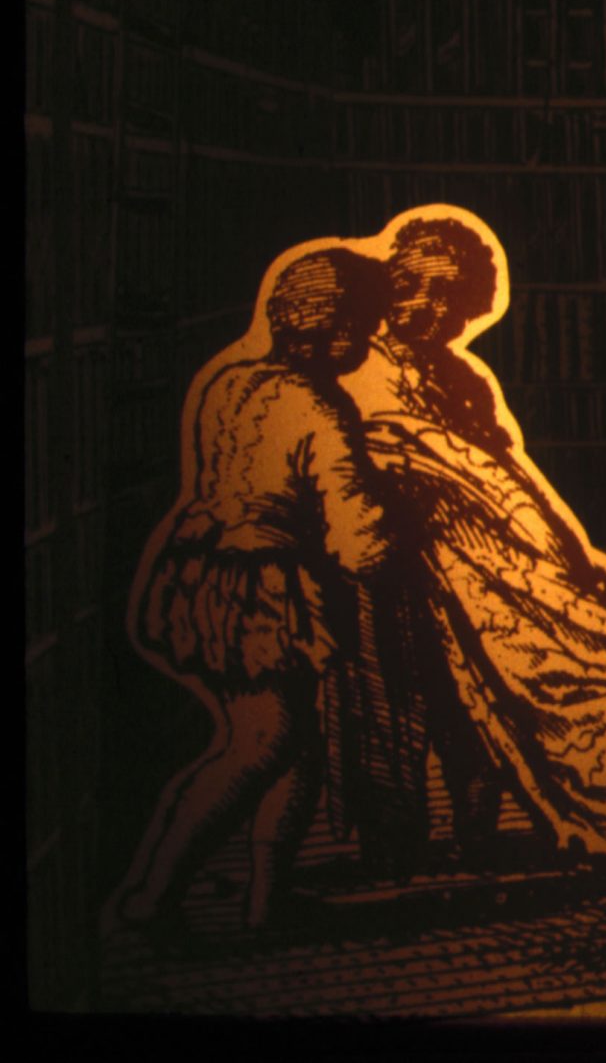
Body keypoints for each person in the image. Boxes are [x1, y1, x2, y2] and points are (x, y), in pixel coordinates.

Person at [339, 208, 606, 866]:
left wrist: (563, 553)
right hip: (395, 567)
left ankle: (478, 832)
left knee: (513, 692)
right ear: (395, 285)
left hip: (491, 562)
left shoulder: (463, 378)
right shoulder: (350, 372)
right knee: (404, 707)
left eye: (452, 298)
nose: (436, 312)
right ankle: (395, 848)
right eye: (424, 290)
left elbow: (507, 470)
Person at [104, 247, 398, 937]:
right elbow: (356, 534)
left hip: (195, 573)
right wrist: (404, 525)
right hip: (258, 591)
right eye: (366, 324)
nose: (371, 338)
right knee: (262, 742)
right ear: (335, 326)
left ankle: (266, 900)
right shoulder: (320, 407)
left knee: (295, 745)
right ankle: (150, 897)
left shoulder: (230, 382)